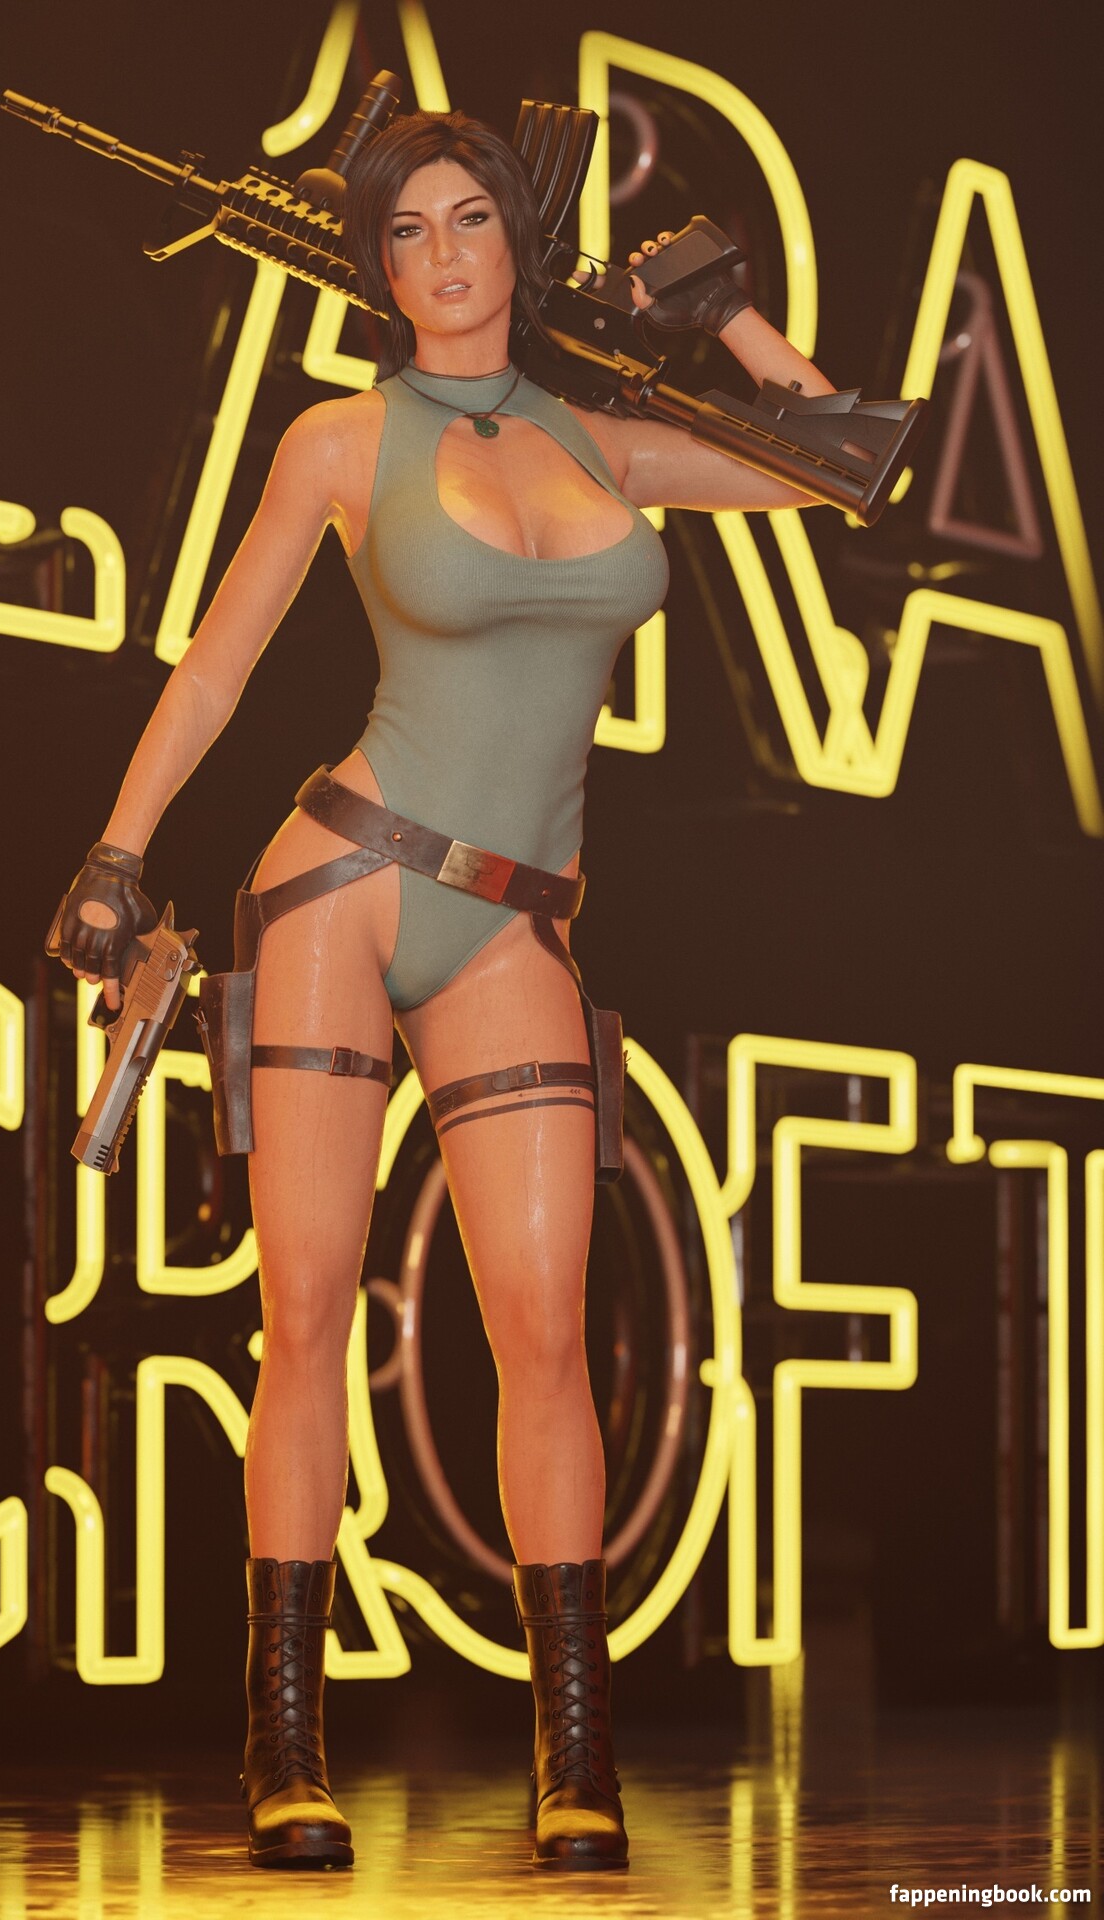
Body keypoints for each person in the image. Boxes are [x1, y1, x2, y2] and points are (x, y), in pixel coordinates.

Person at [53, 108, 834, 1873]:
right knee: (309, 1316)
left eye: (470, 218)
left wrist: (724, 311)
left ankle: (578, 1763)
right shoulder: (342, 439)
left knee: (547, 1327)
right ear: (376, 266)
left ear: (518, 241)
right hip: (344, 883)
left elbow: (845, 466)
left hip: (511, 924)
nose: (442, 255)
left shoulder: (611, 442)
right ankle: (287, 1751)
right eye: (405, 232)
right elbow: (217, 662)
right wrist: (116, 852)